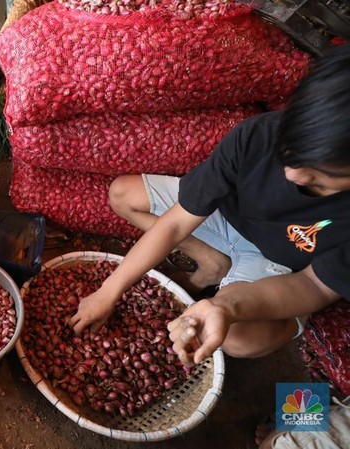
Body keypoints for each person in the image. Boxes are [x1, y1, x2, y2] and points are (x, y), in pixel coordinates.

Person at [67, 45, 350, 371]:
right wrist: (109, 290)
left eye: (319, 178)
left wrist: (225, 306)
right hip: (225, 219)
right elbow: (176, 223)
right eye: (290, 151)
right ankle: (212, 262)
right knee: (123, 194)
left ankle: (288, 324)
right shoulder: (257, 135)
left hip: (280, 266)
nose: (292, 175)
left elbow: (313, 285)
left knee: (239, 339)